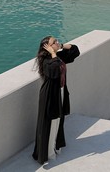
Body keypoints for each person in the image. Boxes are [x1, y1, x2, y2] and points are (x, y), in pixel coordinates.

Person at [32, 35, 80, 164]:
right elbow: (54, 72)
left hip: (61, 92)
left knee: (58, 121)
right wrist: (53, 53)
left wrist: (61, 46)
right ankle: (46, 153)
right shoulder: (46, 61)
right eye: (54, 42)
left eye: (57, 41)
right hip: (49, 95)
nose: (57, 42)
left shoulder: (57, 57)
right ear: (47, 47)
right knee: (49, 123)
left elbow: (75, 51)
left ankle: (55, 146)